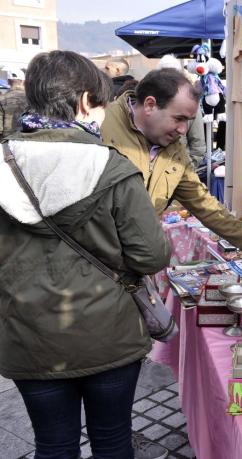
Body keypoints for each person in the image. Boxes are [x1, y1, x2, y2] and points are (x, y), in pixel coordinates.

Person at [0, 50, 171, 458]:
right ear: (82, 102)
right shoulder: (111, 167)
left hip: (28, 338)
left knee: (53, 444)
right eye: (100, 103)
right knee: (112, 440)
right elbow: (150, 255)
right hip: (108, 336)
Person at [101, 68, 242, 250]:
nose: (183, 129)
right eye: (179, 118)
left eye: (188, 120)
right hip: (93, 264)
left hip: (134, 259)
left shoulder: (174, 149)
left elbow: (204, 205)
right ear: (149, 105)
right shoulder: (99, 125)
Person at [157, 55, 206, 167]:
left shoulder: (190, 101)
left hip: (179, 170)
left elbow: (198, 145)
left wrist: (185, 168)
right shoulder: (153, 100)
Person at [0, 66, 28, 140]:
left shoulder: (1, 99)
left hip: (7, 140)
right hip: (27, 140)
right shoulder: (31, 99)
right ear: (23, 81)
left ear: (8, 81)